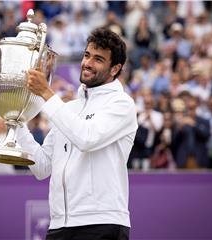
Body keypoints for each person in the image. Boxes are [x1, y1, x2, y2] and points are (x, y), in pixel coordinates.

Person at [19, 27, 138, 239]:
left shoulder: (122, 104)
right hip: (59, 225)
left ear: (115, 69)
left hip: (102, 223)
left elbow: (86, 138)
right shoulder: (69, 109)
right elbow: (42, 167)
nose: (88, 63)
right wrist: (16, 120)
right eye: (86, 55)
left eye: (98, 59)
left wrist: (46, 92)